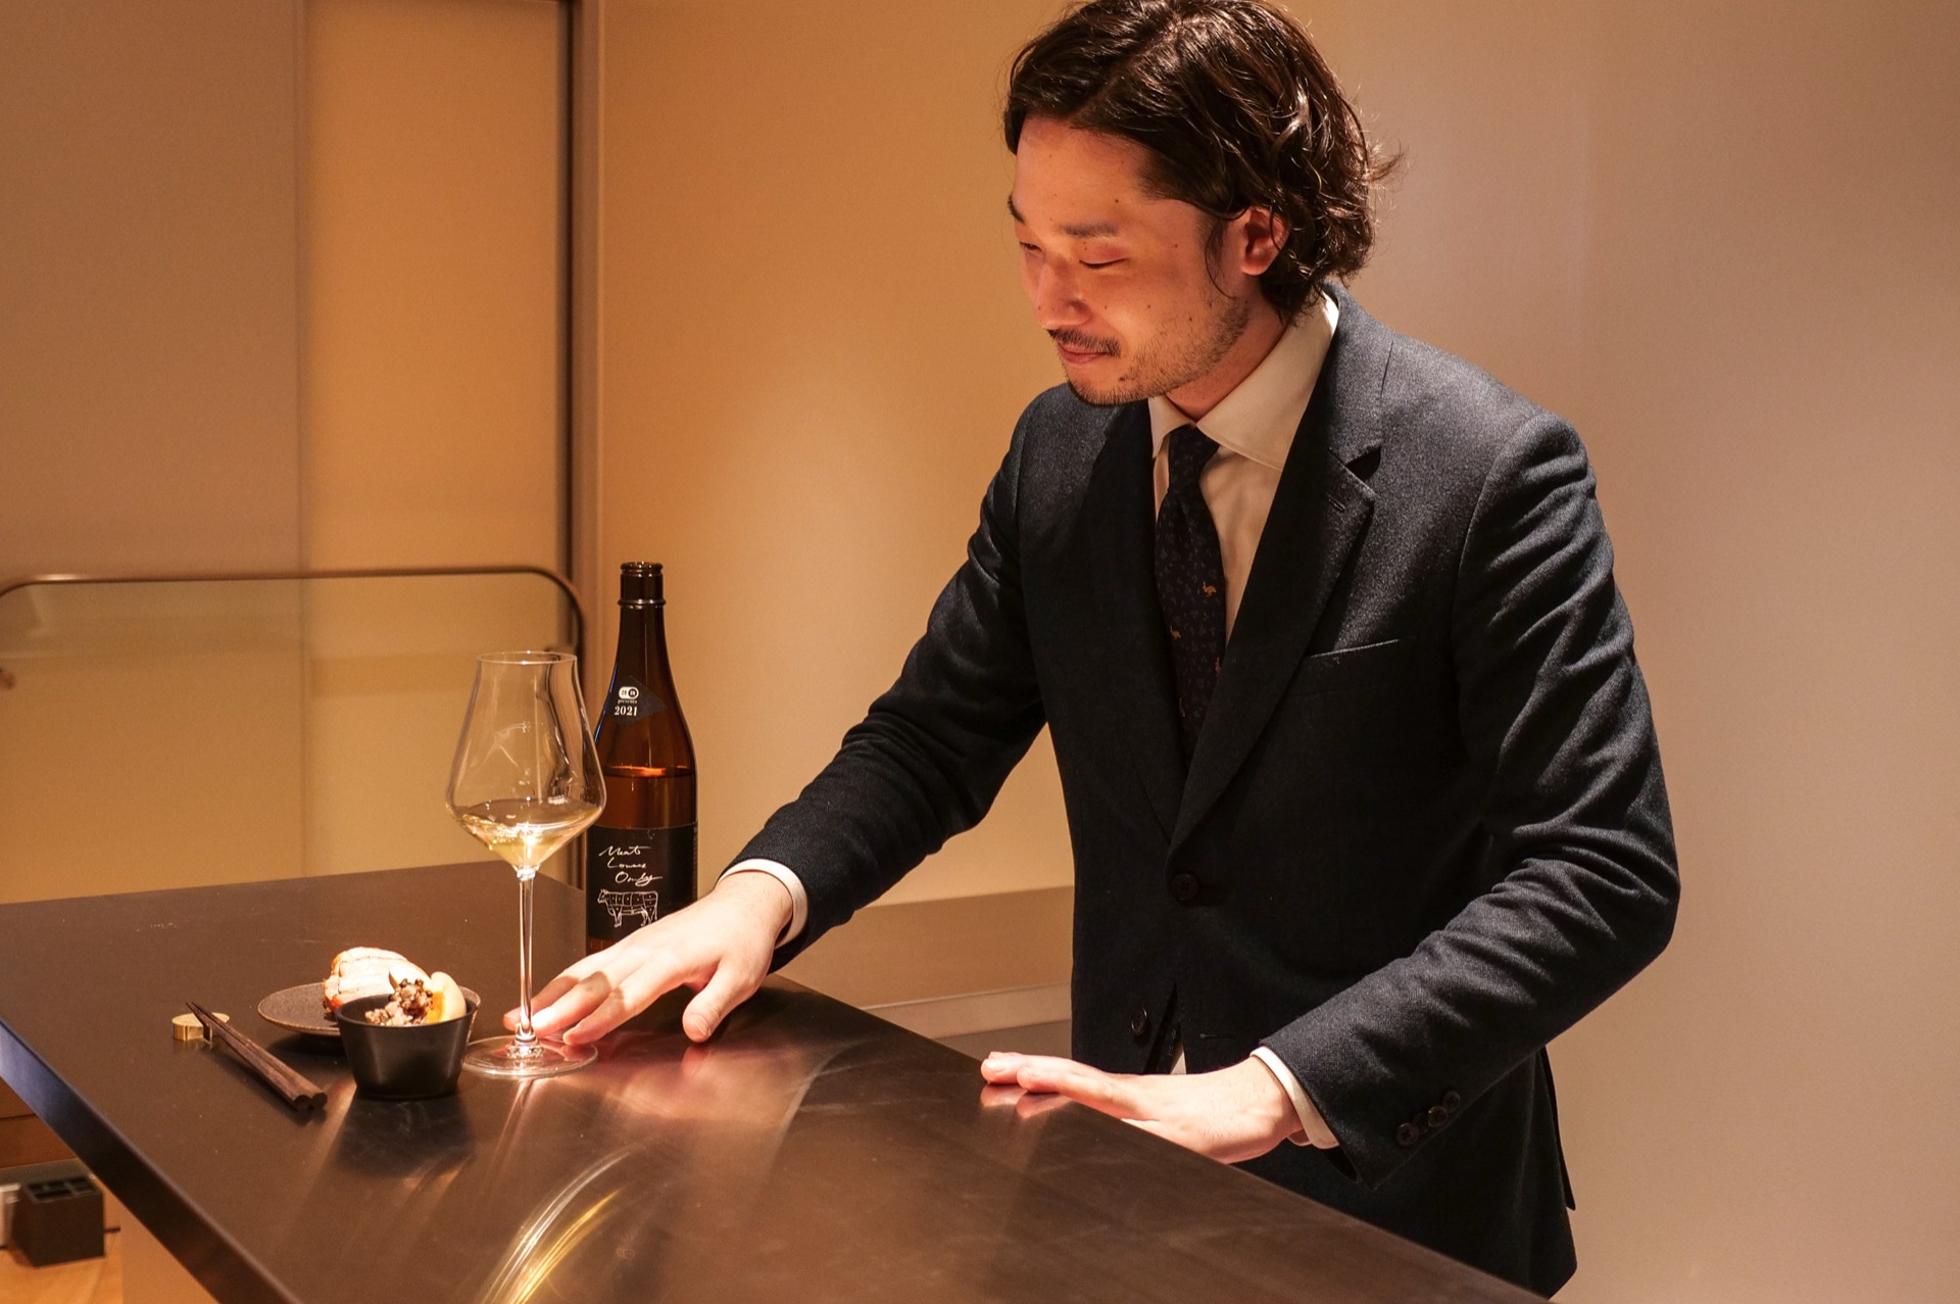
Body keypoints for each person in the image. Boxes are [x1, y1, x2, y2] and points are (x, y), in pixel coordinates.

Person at [519, 0, 1678, 1293]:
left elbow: (1602, 872)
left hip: (1392, 1212)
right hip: (1117, 1190)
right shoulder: (1060, 451)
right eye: (1027, 243)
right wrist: (755, 898)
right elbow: (933, 737)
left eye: (1097, 255)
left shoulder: (1486, 472)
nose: (1045, 299)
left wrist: (1277, 1086)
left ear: (1255, 236)